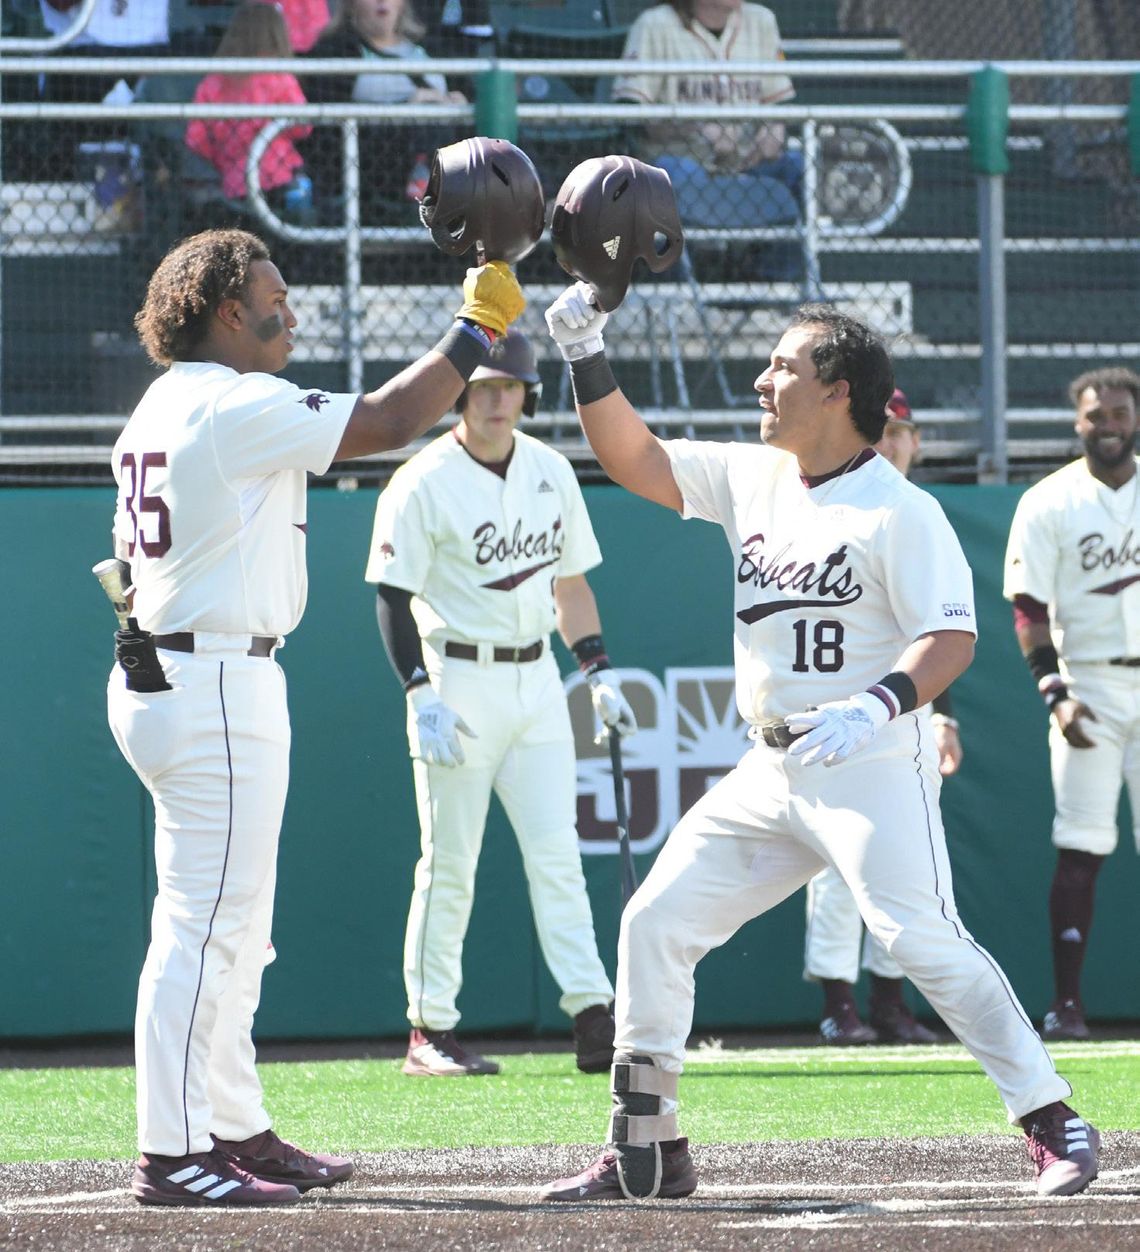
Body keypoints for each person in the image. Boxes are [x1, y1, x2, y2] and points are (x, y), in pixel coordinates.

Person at [536, 281, 1099, 1202]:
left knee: (916, 934)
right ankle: (648, 1141)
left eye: (783, 367)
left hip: (870, 756)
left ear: (839, 389)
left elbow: (951, 636)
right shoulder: (754, 476)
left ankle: (1053, 1119)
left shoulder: (898, 508)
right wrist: (584, 352)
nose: (763, 382)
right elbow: (631, 456)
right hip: (771, 764)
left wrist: (875, 706)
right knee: (655, 922)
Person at [106, 227, 524, 1205]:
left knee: (236, 930)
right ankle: (172, 1153)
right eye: (273, 295)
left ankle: (233, 1125)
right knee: (206, 930)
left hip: (186, 669)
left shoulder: (166, 400)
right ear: (223, 311)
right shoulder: (229, 398)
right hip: (209, 678)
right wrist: (477, 325)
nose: (290, 310)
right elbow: (387, 417)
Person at [363, 328, 635, 1078]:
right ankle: (430, 1029)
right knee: (450, 860)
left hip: (537, 677)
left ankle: (592, 1014)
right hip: (457, 680)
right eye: (481, 386)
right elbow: (392, 596)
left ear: (527, 394)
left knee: (558, 855)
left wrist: (597, 669)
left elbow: (570, 583)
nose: (494, 399)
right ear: (460, 395)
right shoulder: (420, 480)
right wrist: (418, 692)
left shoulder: (549, 468)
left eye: (508, 387)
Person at [804, 388, 962, 1046]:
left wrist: (944, 716)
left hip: (906, 712)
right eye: (885, 430)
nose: (895, 442)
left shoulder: (922, 514)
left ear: (918, 442)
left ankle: (892, 1003)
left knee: (908, 863)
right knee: (837, 866)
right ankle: (840, 1003)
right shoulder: (833, 507)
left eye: (905, 431)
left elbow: (941, 635)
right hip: (836, 708)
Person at [1002, 366, 1140, 1043]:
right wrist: (1054, 693)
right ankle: (1066, 1005)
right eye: (1095, 415)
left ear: (1135, 418)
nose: (1107, 424)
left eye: (1118, 412)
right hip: (1088, 683)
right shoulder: (1048, 500)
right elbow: (1028, 607)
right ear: (1076, 421)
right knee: (1081, 844)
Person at [611, 1, 803, 233]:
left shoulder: (761, 20)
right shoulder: (654, 24)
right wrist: (698, 128)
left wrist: (774, 128)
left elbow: (778, 104)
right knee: (674, 172)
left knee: (796, 166)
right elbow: (632, 115)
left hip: (749, 164)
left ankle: (771, 269)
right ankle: (691, 266)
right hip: (684, 162)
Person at [300, 0, 467, 217]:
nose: (382, 2)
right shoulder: (334, 49)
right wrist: (404, 109)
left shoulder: (428, 46)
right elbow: (326, 125)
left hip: (440, 148)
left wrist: (459, 103)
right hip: (374, 161)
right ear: (351, 5)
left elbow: (464, 88)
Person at [184, 2, 313, 212]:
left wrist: (225, 156)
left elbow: (195, 138)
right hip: (279, 176)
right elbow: (302, 126)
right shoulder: (279, 75)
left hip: (234, 182)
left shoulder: (214, 81)